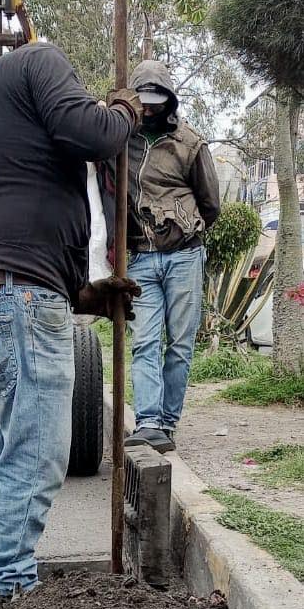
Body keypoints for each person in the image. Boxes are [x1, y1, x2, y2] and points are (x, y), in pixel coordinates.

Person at [0, 41, 143, 604]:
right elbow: (93, 134)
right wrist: (123, 111)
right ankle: (6, 590)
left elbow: (4, 213)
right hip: (11, 293)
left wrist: (84, 291)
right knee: (38, 449)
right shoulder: (38, 60)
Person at [119, 60, 220, 453]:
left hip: (184, 257)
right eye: (142, 100)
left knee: (180, 344)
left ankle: (167, 423)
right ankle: (148, 421)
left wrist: (182, 232)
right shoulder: (120, 140)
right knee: (144, 342)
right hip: (141, 258)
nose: (148, 108)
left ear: (169, 100)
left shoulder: (191, 144)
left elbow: (210, 205)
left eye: (155, 100)